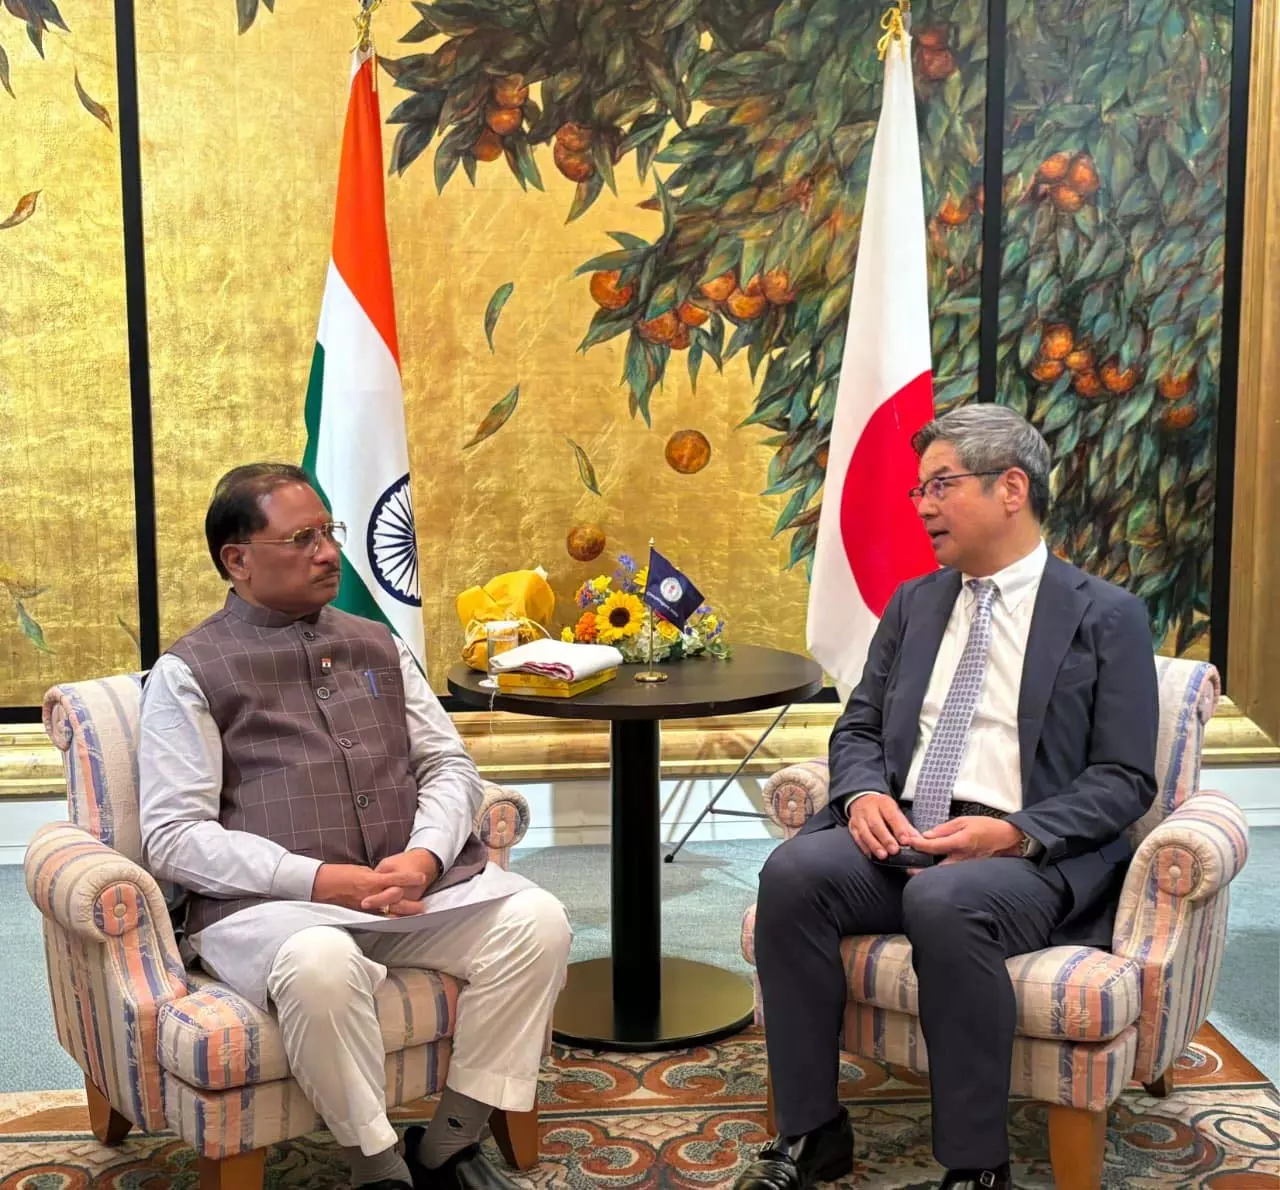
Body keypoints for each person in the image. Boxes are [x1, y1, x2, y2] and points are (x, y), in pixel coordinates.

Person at [735, 405, 1158, 1190]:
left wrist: (1014, 833)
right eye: (919, 490)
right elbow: (859, 725)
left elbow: (1125, 778)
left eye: (941, 485)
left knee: (943, 902)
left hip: (1024, 856)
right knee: (792, 874)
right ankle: (811, 1129)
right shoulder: (914, 603)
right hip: (902, 831)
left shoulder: (1107, 615)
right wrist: (863, 795)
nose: (922, 506)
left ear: (1011, 489)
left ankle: (976, 1165)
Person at [139, 463, 571, 1190]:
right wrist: (315, 880)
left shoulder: (378, 643)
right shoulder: (189, 671)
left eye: (329, 532)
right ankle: (378, 1168)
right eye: (301, 539)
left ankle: (450, 1147)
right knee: (322, 967)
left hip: (410, 893)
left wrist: (426, 857)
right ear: (237, 560)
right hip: (275, 910)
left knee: (538, 922)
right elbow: (174, 834)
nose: (328, 553)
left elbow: (447, 764)